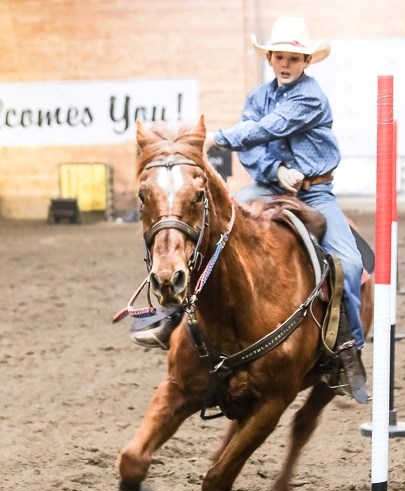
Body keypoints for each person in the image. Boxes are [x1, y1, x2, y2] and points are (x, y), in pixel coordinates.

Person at [132, 16, 365, 362]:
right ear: (269, 59)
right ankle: (172, 318)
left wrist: (216, 138)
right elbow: (253, 148)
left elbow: (270, 128)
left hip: (314, 192)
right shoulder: (258, 97)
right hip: (266, 186)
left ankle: (349, 347)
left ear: (306, 62)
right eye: (280, 57)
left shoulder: (311, 97)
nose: (286, 64)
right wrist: (277, 169)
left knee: (350, 261)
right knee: (209, 228)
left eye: (294, 58)